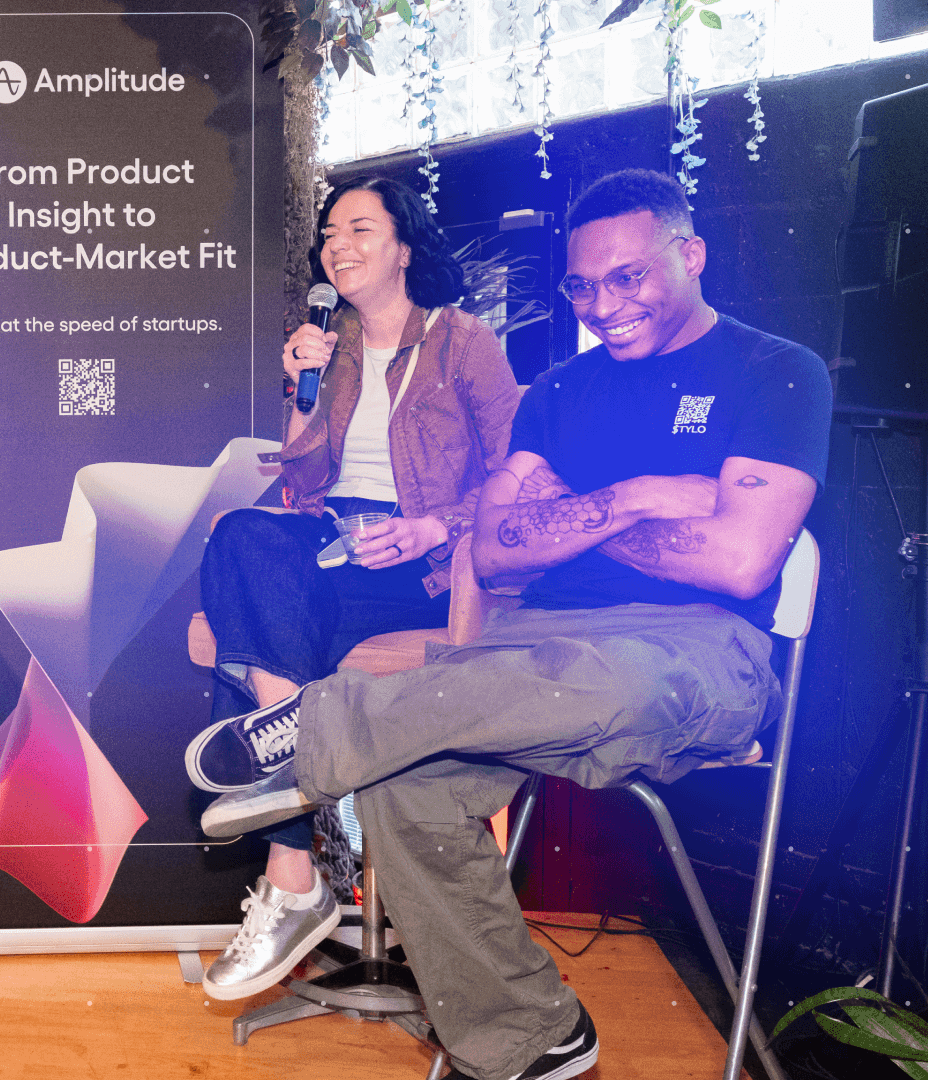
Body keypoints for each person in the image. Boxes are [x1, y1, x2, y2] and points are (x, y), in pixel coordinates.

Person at [188, 168, 833, 1080]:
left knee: (554, 678)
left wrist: (573, 515)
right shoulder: (562, 392)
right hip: (529, 643)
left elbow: (738, 561)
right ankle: (535, 1036)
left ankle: (313, 736)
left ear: (690, 257)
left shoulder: (775, 371)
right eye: (583, 285)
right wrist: (640, 500)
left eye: (630, 277)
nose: (604, 304)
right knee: (404, 786)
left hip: (688, 651)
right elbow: (494, 551)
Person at [186, 175, 520, 1001]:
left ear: (405, 245)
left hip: (429, 561)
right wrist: (300, 388)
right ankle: (300, 797)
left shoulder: (461, 340)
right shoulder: (328, 345)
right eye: (330, 231)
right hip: (338, 539)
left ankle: (292, 865)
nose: (338, 243)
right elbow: (298, 482)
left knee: (290, 610)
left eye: (360, 228)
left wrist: (434, 526)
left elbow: (523, 475)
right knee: (241, 534)